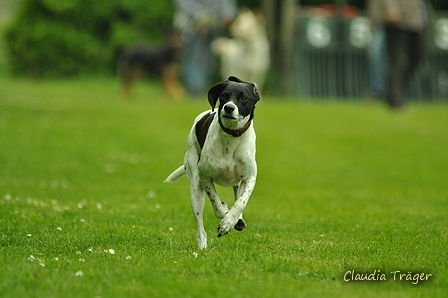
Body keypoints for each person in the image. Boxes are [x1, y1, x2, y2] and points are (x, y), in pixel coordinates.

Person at [173, 0, 237, 96]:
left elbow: (227, 5)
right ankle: (195, 88)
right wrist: (201, 14)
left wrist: (228, 14)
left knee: (208, 59)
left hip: (214, 25)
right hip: (191, 26)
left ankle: (205, 88)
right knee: (194, 56)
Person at [381, 0, 430, 109]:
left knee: (418, 56)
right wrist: (391, 8)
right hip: (399, 20)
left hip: (419, 20)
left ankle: (397, 90)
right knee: (396, 60)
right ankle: (394, 99)